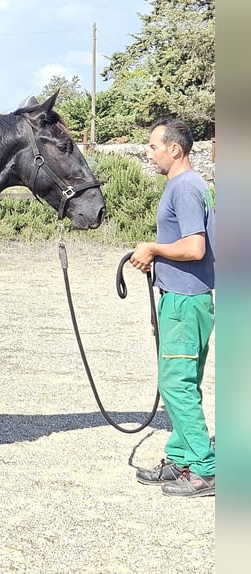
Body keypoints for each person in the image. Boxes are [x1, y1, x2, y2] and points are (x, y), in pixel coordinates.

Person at [129, 118, 216, 497]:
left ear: (174, 149)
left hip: (185, 301)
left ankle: (207, 469)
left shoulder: (184, 187)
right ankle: (180, 458)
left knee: (175, 384)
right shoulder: (189, 185)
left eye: (153, 147)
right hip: (183, 297)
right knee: (183, 383)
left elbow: (194, 247)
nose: (148, 154)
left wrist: (153, 249)